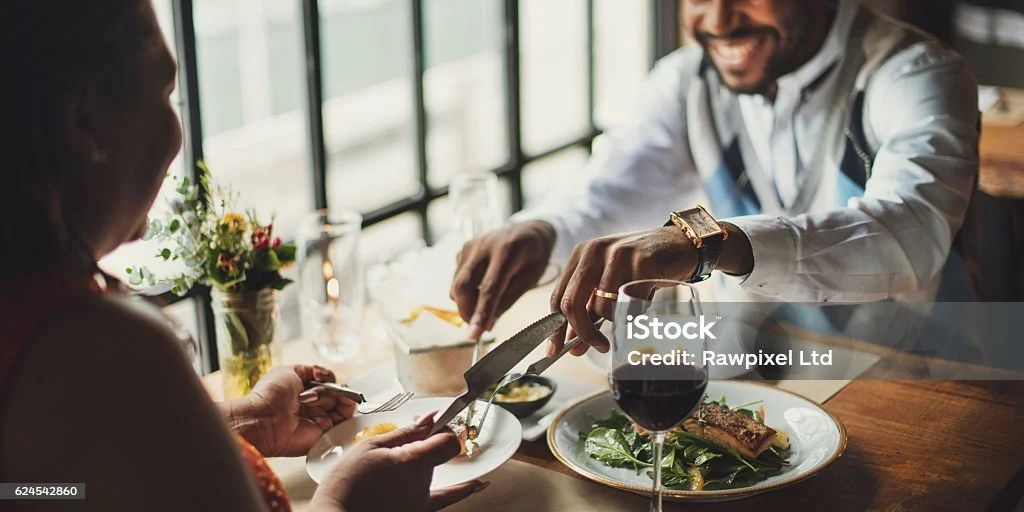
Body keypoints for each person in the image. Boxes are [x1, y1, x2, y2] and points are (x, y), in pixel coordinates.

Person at [0, 1, 484, 511]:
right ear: (84, 121)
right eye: (168, 93)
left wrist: (241, 425)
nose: (176, 136)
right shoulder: (109, 346)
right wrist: (342, 504)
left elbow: (42, 493)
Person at [451, 0, 980, 354]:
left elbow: (908, 232)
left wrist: (709, 245)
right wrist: (541, 228)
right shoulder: (685, 81)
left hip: (913, 368)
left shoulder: (916, 73)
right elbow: (611, 191)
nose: (720, 20)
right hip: (764, 368)